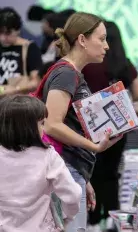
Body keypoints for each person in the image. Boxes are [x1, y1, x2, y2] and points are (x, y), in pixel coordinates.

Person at [40, 12, 121, 232]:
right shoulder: (67, 73)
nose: (106, 46)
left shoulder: (72, 73)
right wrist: (93, 146)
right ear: (82, 40)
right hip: (64, 170)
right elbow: (52, 124)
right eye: (101, 39)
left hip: (69, 170)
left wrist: (82, 176)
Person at [83, 21, 138, 232]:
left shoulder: (89, 64)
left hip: (92, 128)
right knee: (111, 174)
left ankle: (92, 220)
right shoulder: (123, 63)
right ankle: (112, 219)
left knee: (92, 174)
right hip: (119, 128)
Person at [0, 95, 82, 232]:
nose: (43, 129)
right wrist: (68, 217)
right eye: (42, 123)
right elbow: (73, 194)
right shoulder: (47, 156)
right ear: (29, 127)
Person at [0, 7, 42, 94]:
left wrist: (15, 89)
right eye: (0, 33)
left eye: (8, 33)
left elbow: (36, 82)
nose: (3, 37)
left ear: (18, 30)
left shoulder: (29, 47)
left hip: (18, 100)